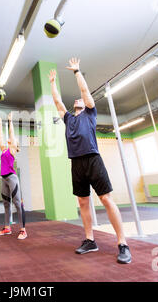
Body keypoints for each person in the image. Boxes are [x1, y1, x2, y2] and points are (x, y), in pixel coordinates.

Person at [49, 58, 132, 264]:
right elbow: (58, 103)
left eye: (80, 100)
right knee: (83, 201)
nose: (78, 99)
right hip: (76, 163)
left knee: (105, 199)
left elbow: (85, 93)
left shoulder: (90, 113)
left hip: (93, 159)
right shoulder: (69, 119)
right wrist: (52, 83)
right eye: (75, 100)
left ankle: (122, 243)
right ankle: (89, 240)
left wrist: (77, 72)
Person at [0, 112, 27, 240]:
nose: (11, 139)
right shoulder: (3, 149)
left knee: (18, 203)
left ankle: (23, 230)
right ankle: (7, 228)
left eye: (13, 140)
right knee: (6, 204)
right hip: (4, 178)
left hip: (12, 178)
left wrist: (10, 121)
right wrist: (1, 124)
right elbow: (1, 138)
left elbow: (12, 135)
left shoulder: (12, 149)